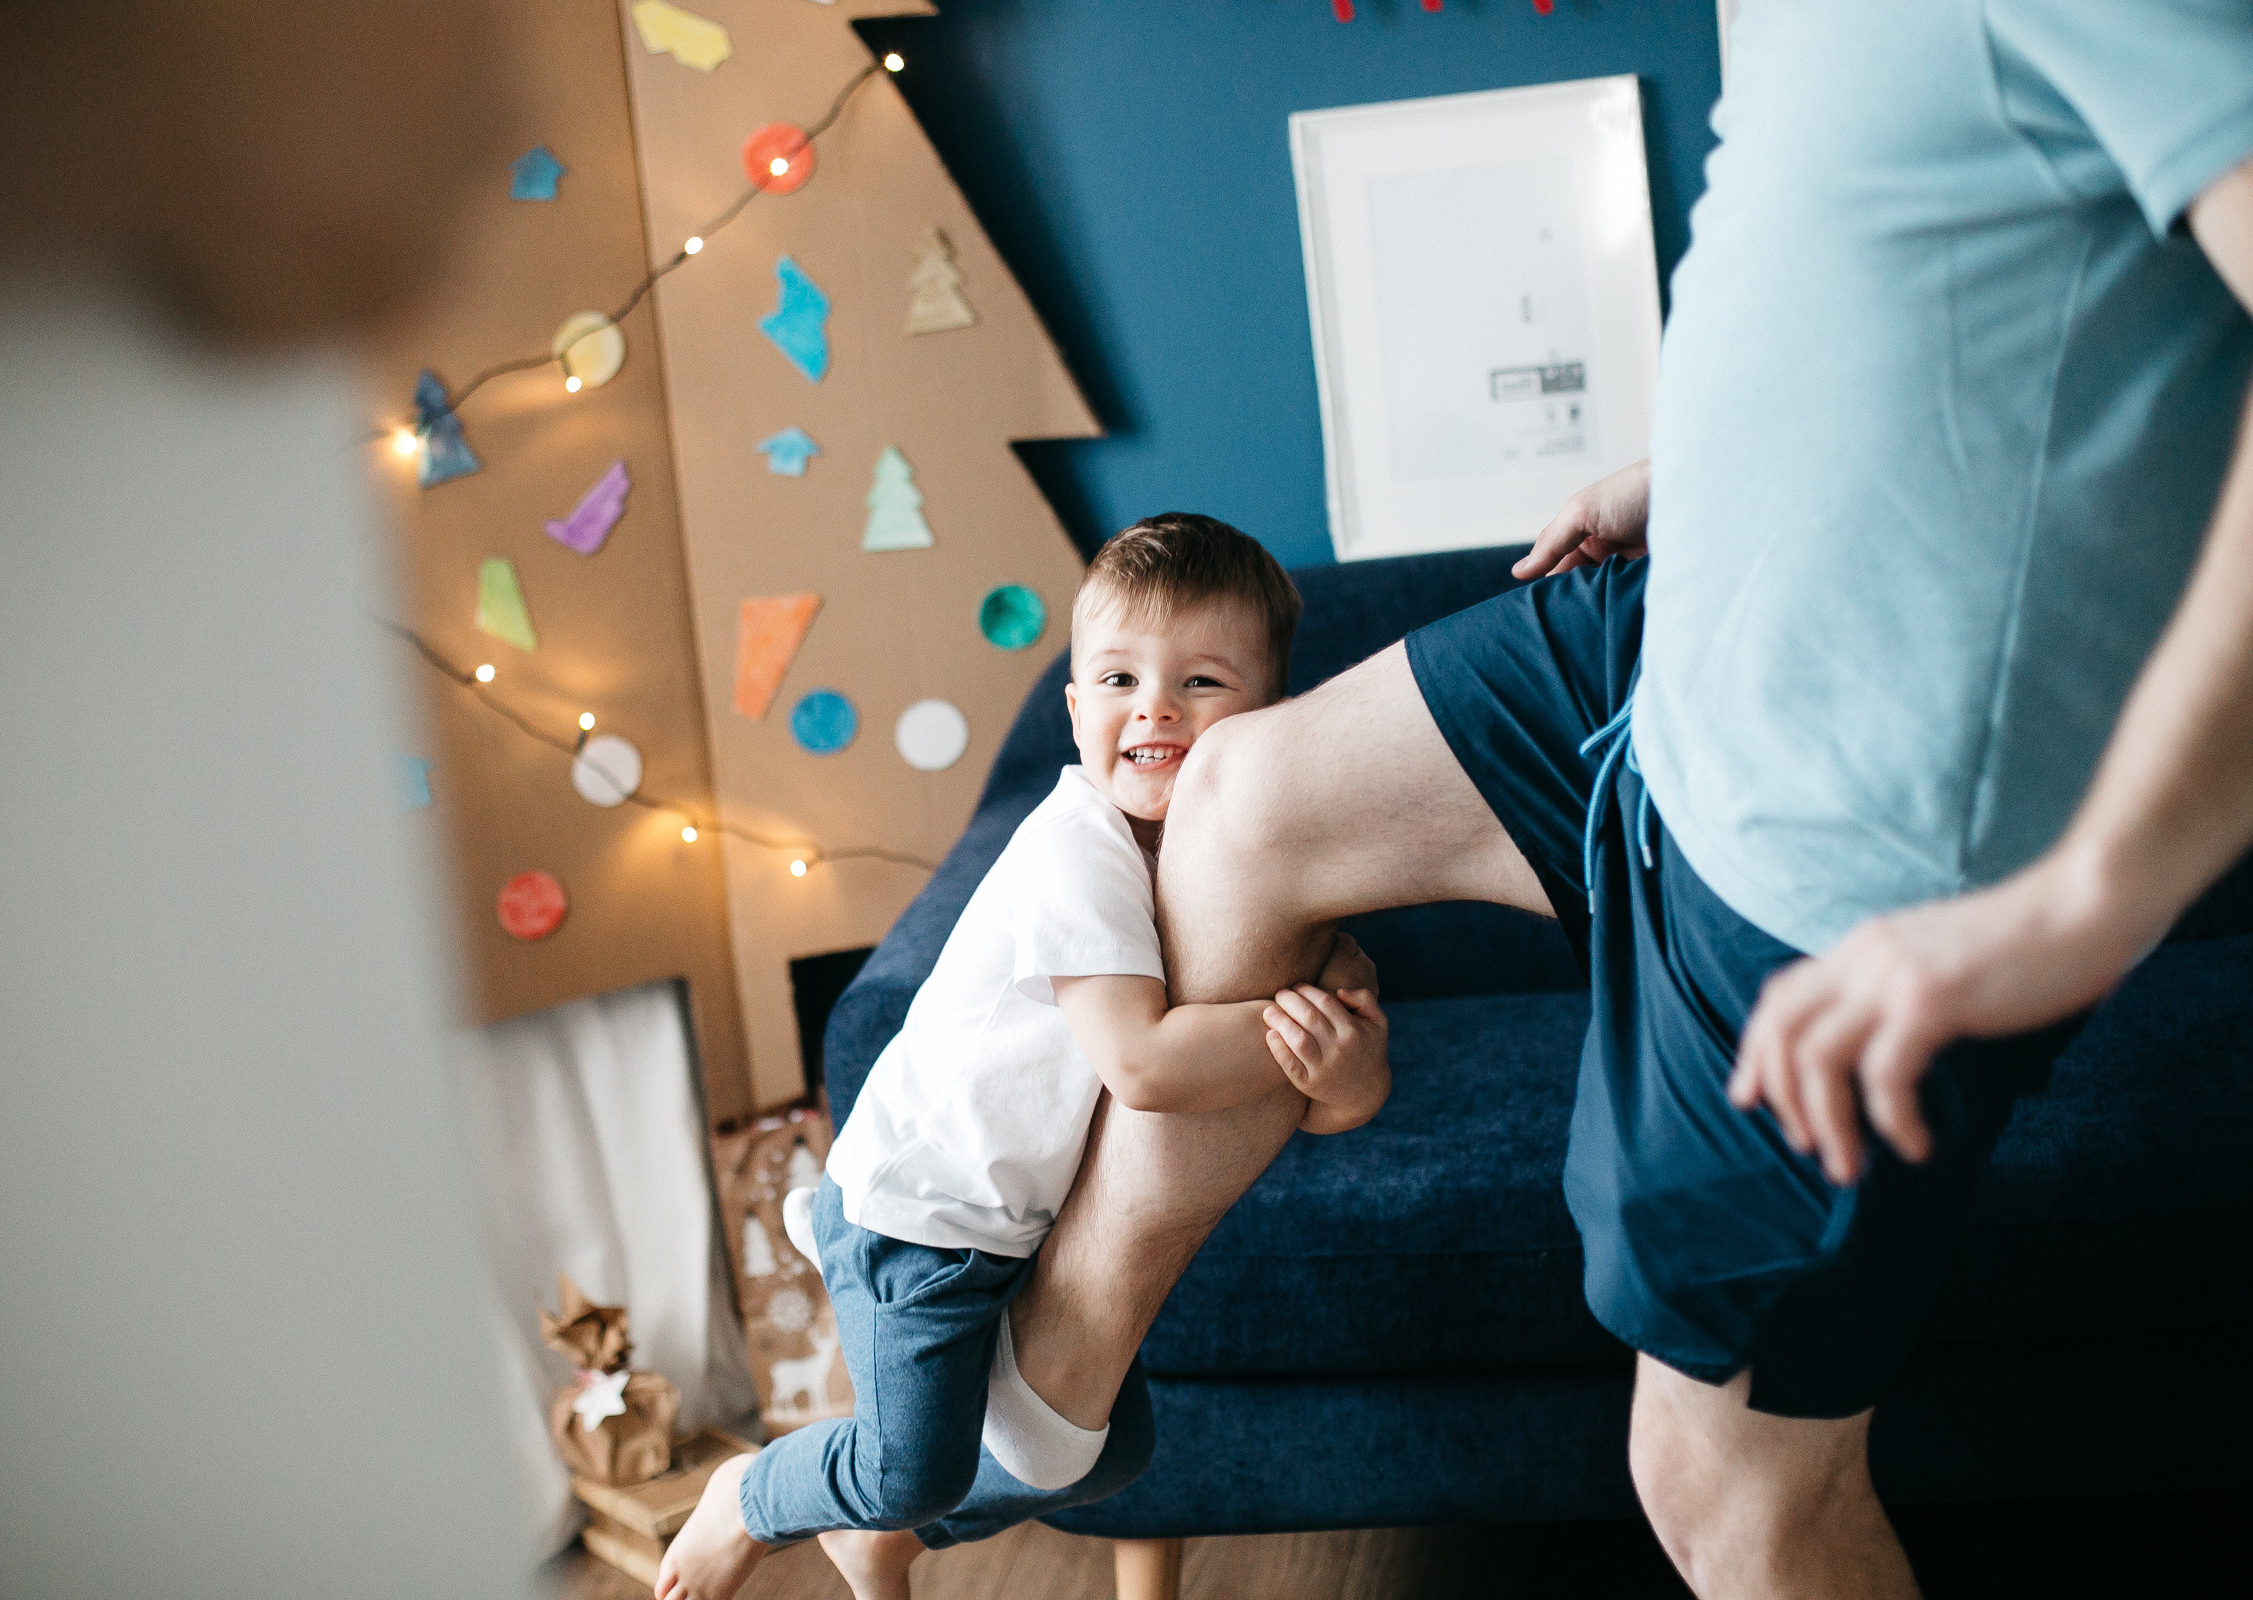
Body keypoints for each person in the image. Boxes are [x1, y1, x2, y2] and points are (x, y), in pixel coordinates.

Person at [995, 8, 2253, 1598]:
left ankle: (1001, 1424)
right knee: (1245, 790)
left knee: (1725, 1482)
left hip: (1839, 821)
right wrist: (1705, 466)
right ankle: (1044, 1387)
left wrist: (2090, 896)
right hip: (1678, 632)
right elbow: (1936, 264)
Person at [656, 516, 1389, 1600]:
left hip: (1014, 1231)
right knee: (908, 1466)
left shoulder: (1234, 874)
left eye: (1202, 680)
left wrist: (1350, 1070)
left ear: (1270, 718)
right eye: (1121, 678)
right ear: (1078, 709)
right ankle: (752, 1497)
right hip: (916, 1215)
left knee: (1115, 1454)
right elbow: (1142, 1063)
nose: (1156, 707)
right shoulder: (1078, 848)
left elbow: (1312, 1108)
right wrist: (1293, 1019)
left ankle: (882, 1536)